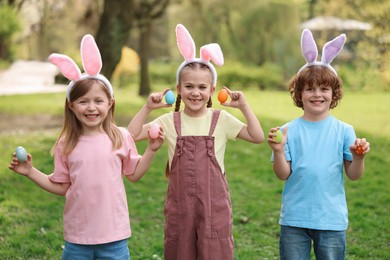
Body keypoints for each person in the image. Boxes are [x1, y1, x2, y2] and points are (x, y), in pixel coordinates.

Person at [8, 34, 163, 260]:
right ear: (71, 106)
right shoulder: (66, 144)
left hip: (114, 236)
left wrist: (151, 150)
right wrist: (30, 171)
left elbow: (134, 174)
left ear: (110, 103)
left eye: (98, 101)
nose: (91, 108)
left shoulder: (120, 136)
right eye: (83, 101)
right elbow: (61, 186)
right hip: (78, 238)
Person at [128, 24, 264, 259]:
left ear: (212, 90)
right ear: (179, 89)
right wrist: (148, 107)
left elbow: (257, 136)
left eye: (202, 87)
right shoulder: (170, 121)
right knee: (181, 248)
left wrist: (243, 106)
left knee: (215, 249)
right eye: (189, 86)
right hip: (181, 206)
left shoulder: (220, 119)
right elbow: (131, 135)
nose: (195, 92)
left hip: (214, 205)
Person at [267, 29, 370, 260]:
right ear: (299, 93)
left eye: (324, 89)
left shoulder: (344, 130)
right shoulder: (287, 131)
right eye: (310, 89)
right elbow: (283, 174)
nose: (317, 94)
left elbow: (353, 175)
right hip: (294, 219)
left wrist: (360, 158)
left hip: (331, 219)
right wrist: (279, 150)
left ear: (333, 94)